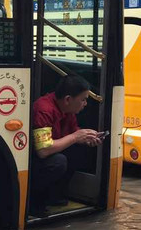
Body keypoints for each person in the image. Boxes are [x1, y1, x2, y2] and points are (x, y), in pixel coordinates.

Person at [30, 74, 103, 217]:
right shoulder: (44, 109)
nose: (85, 104)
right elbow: (43, 150)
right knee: (58, 162)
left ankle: (55, 195)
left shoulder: (67, 110)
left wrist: (86, 137)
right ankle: (33, 203)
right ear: (68, 99)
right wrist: (75, 137)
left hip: (52, 150)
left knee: (81, 151)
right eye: (83, 100)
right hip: (34, 160)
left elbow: (71, 132)